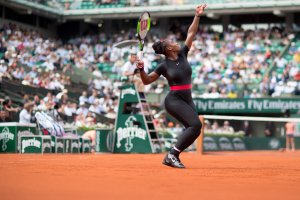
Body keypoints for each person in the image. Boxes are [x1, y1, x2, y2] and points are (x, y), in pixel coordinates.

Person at [136, 4, 207, 168]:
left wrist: (197, 15)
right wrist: (141, 70)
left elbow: (192, 32)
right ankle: (172, 155)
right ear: (168, 48)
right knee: (195, 125)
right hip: (174, 100)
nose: (174, 42)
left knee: (195, 129)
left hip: (187, 99)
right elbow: (146, 81)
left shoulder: (183, 53)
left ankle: (173, 155)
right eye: (170, 41)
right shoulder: (163, 66)